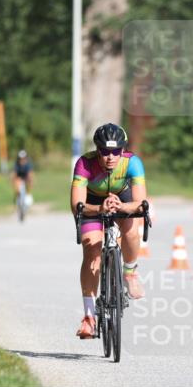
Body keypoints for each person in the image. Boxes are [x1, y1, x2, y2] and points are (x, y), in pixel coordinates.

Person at [70, 124, 147, 339]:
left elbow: (141, 203)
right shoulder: (84, 163)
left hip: (123, 199)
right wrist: (99, 208)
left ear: (123, 150)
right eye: (104, 151)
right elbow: (77, 204)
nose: (110, 157)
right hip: (93, 202)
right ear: (97, 150)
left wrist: (122, 207)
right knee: (92, 249)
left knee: (132, 232)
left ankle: (130, 272)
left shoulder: (133, 163)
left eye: (115, 151)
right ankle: (88, 317)